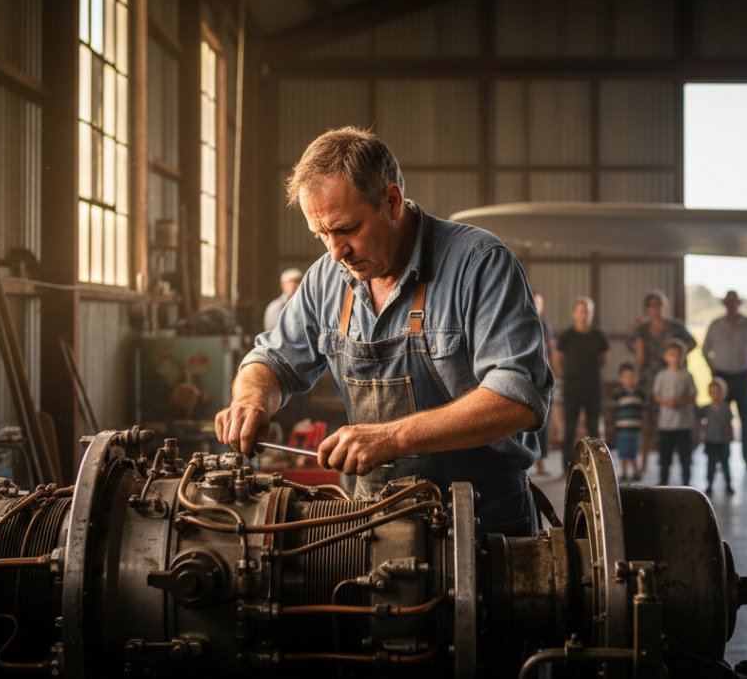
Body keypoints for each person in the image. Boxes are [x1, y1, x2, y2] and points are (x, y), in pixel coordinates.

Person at [215, 127, 553, 537]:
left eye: (347, 229)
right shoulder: (326, 279)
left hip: (485, 523)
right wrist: (252, 400)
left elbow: (518, 398)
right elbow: (271, 360)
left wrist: (394, 437)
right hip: (373, 525)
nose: (335, 251)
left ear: (391, 201)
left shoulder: (478, 264)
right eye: (321, 235)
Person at [628, 290, 696, 478]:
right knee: (647, 422)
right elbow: (632, 345)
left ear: (664, 307)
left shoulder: (676, 326)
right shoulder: (642, 328)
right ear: (647, 309)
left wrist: (676, 357)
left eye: (658, 305)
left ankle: (675, 462)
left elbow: (692, 343)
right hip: (649, 379)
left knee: (672, 422)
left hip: (672, 378)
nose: (655, 309)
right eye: (651, 305)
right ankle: (644, 463)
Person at [701, 290, 747, 470]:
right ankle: (720, 458)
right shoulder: (716, 325)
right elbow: (705, 350)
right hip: (722, 378)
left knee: (746, 422)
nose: (731, 305)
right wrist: (713, 369)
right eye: (728, 302)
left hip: (743, 377)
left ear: (739, 304)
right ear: (724, 304)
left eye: (734, 302)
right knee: (719, 419)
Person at [553, 296, 609, 472]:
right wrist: (566, 374)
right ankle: (566, 466)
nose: (584, 315)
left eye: (587, 311)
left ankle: (595, 467)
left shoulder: (598, 335)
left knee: (594, 429)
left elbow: (603, 359)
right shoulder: (567, 336)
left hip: (593, 388)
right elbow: (557, 359)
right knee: (569, 429)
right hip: (572, 388)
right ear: (574, 314)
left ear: (591, 313)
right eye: (581, 311)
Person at [652, 340, 697, 486]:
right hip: (666, 424)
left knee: (685, 457)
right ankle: (664, 482)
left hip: (684, 424)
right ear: (666, 356)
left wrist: (680, 402)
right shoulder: (661, 376)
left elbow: (693, 395)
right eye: (672, 355)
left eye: (678, 355)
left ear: (683, 356)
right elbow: (656, 394)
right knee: (665, 457)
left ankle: (686, 482)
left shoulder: (687, 376)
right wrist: (667, 402)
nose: (675, 358)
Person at [533, 291, 559, 476]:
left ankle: (541, 462)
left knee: (543, 420)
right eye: (534, 302)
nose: (537, 306)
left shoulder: (546, 326)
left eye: (540, 303)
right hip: (526, 377)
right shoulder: (520, 320)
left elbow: (551, 351)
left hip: (543, 376)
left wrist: (555, 374)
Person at [699, 377, 735, 495]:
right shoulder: (706, 409)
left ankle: (728, 484)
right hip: (710, 440)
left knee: (725, 464)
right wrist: (699, 435)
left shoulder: (726, 408)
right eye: (713, 392)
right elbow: (700, 422)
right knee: (711, 464)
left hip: (723, 440)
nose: (716, 395)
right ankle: (709, 484)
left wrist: (731, 436)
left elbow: (729, 423)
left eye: (718, 392)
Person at [611, 363, 645, 481]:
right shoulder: (618, 394)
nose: (629, 379)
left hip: (635, 430)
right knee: (623, 453)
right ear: (620, 378)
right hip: (622, 429)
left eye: (631, 376)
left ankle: (636, 472)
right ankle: (624, 473)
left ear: (636, 378)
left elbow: (645, 408)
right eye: (625, 377)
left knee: (633, 453)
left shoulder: (639, 393)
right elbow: (612, 406)